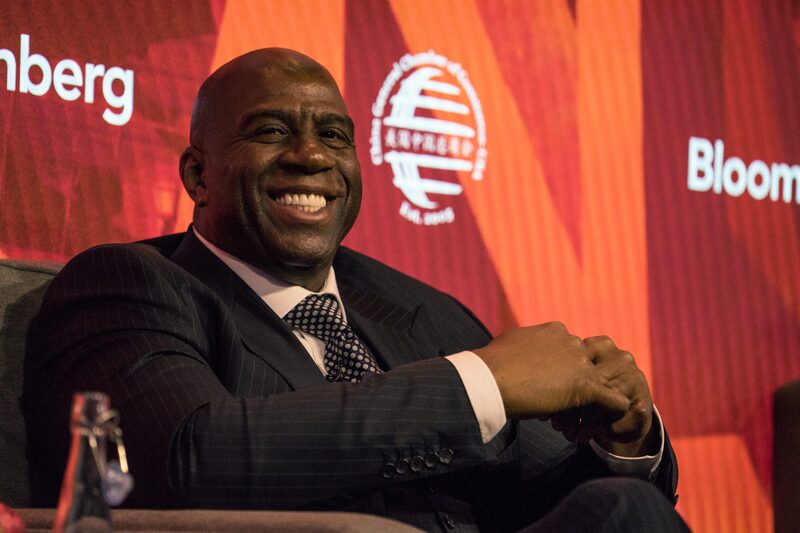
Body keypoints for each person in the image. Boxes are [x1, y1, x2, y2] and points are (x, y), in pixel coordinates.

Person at [24, 48, 688, 532]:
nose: (311, 155)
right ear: (199, 176)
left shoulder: (425, 313)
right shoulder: (133, 285)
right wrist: (475, 384)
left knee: (621, 506)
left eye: (334, 135)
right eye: (271, 130)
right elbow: (183, 456)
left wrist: (622, 439)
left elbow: (532, 490)